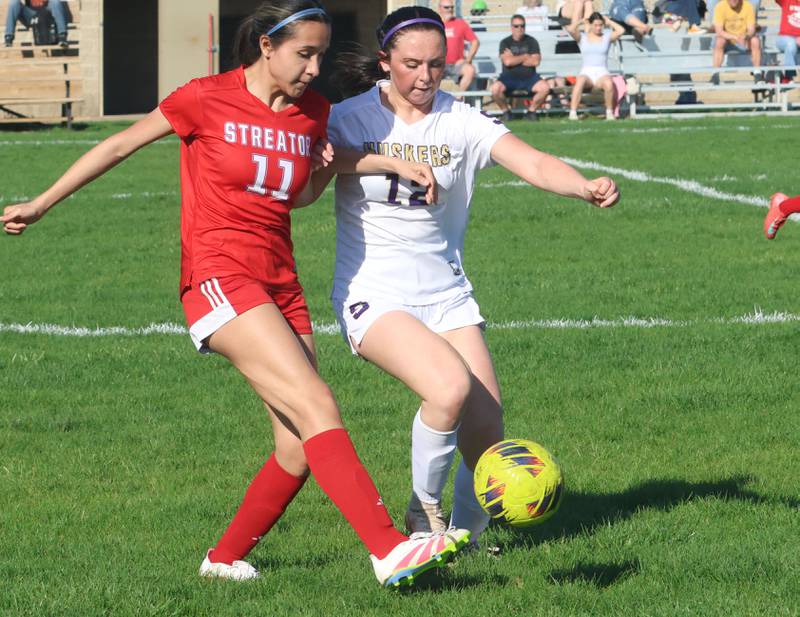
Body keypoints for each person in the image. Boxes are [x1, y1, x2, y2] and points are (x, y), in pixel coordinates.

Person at [1, 0, 470, 588]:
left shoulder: (313, 113)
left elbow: (302, 194)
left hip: (280, 280)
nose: (313, 67)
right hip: (219, 275)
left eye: (321, 54)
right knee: (317, 404)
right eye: (304, 53)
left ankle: (222, 560)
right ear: (266, 47)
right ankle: (388, 549)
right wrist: (41, 203)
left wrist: (384, 162)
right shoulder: (203, 97)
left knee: (298, 446)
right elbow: (119, 145)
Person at [323, 6, 619, 543]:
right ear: (385, 60)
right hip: (374, 293)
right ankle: (422, 514)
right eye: (411, 64)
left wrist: (582, 185)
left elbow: (531, 161)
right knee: (448, 389)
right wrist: (377, 161)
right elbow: (310, 176)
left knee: (485, 435)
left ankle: (465, 540)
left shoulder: (462, 120)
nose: (424, 76)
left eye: (436, 64)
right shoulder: (347, 118)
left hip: (447, 294)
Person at [565, 9, 626, 120]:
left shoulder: (607, 37)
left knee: (608, 83)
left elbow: (621, 30)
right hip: (587, 72)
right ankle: (573, 113)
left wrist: (609, 21)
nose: (598, 28)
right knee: (580, 81)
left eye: (601, 25)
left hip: (602, 72)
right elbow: (569, 29)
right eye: (596, 25)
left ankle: (609, 113)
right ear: (591, 25)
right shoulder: (582, 37)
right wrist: (581, 21)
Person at [491, 14, 552, 121]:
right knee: (495, 89)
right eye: (516, 26)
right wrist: (525, 56)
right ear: (511, 27)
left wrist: (514, 58)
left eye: (522, 26)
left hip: (530, 78)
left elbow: (536, 62)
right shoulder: (505, 42)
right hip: (508, 78)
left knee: (545, 88)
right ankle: (506, 112)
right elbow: (507, 62)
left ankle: (531, 111)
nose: (519, 28)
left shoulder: (532, 41)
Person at [712, 0, 762, 82]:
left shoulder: (748, 6)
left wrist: (746, 36)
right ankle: (715, 74)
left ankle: (757, 72)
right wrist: (735, 37)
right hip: (728, 40)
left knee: (755, 40)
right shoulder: (720, 7)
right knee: (719, 41)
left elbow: (751, 29)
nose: (733, 1)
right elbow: (719, 31)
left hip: (744, 39)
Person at [438, 0, 480, 92]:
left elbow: (475, 41)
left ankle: (459, 97)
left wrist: (468, 60)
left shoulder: (460, 24)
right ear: (440, 8)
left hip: (456, 64)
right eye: (446, 7)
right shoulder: (435, 24)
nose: (450, 10)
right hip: (438, 64)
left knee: (470, 70)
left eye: (452, 7)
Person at [4, 0, 68, 47]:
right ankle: (8, 37)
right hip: (31, 15)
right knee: (14, 2)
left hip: (47, 14)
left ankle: (62, 36)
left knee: (55, 2)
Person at [775, 0, 800, 81]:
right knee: (791, 43)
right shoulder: (787, 1)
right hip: (783, 39)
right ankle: (789, 76)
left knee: (793, 45)